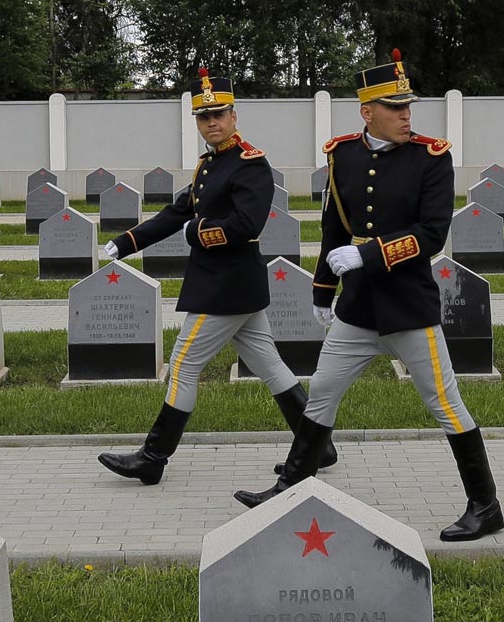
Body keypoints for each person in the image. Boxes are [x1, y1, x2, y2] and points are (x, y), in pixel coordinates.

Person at [234, 49, 504, 542]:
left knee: (444, 403)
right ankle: (291, 486)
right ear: (367, 112)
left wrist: (369, 256)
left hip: (407, 306)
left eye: (408, 106)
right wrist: (322, 289)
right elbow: (334, 226)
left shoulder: (432, 158)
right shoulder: (342, 155)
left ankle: (486, 506)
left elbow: (432, 234)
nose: (406, 115)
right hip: (357, 308)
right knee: (321, 394)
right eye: (395, 107)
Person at [96, 69, 335, 484]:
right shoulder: (210, 165)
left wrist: (196, 233)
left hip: (224, 287)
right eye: (204, 117)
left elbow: (247, 223)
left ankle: (153, 457)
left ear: (234, 116)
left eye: (219, 115)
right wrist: (128, 241)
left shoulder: (250, 164)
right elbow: (177, 212)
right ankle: (319, 447)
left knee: (184, 365)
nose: (212, 122)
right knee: (272, 367)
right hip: (237, 287)